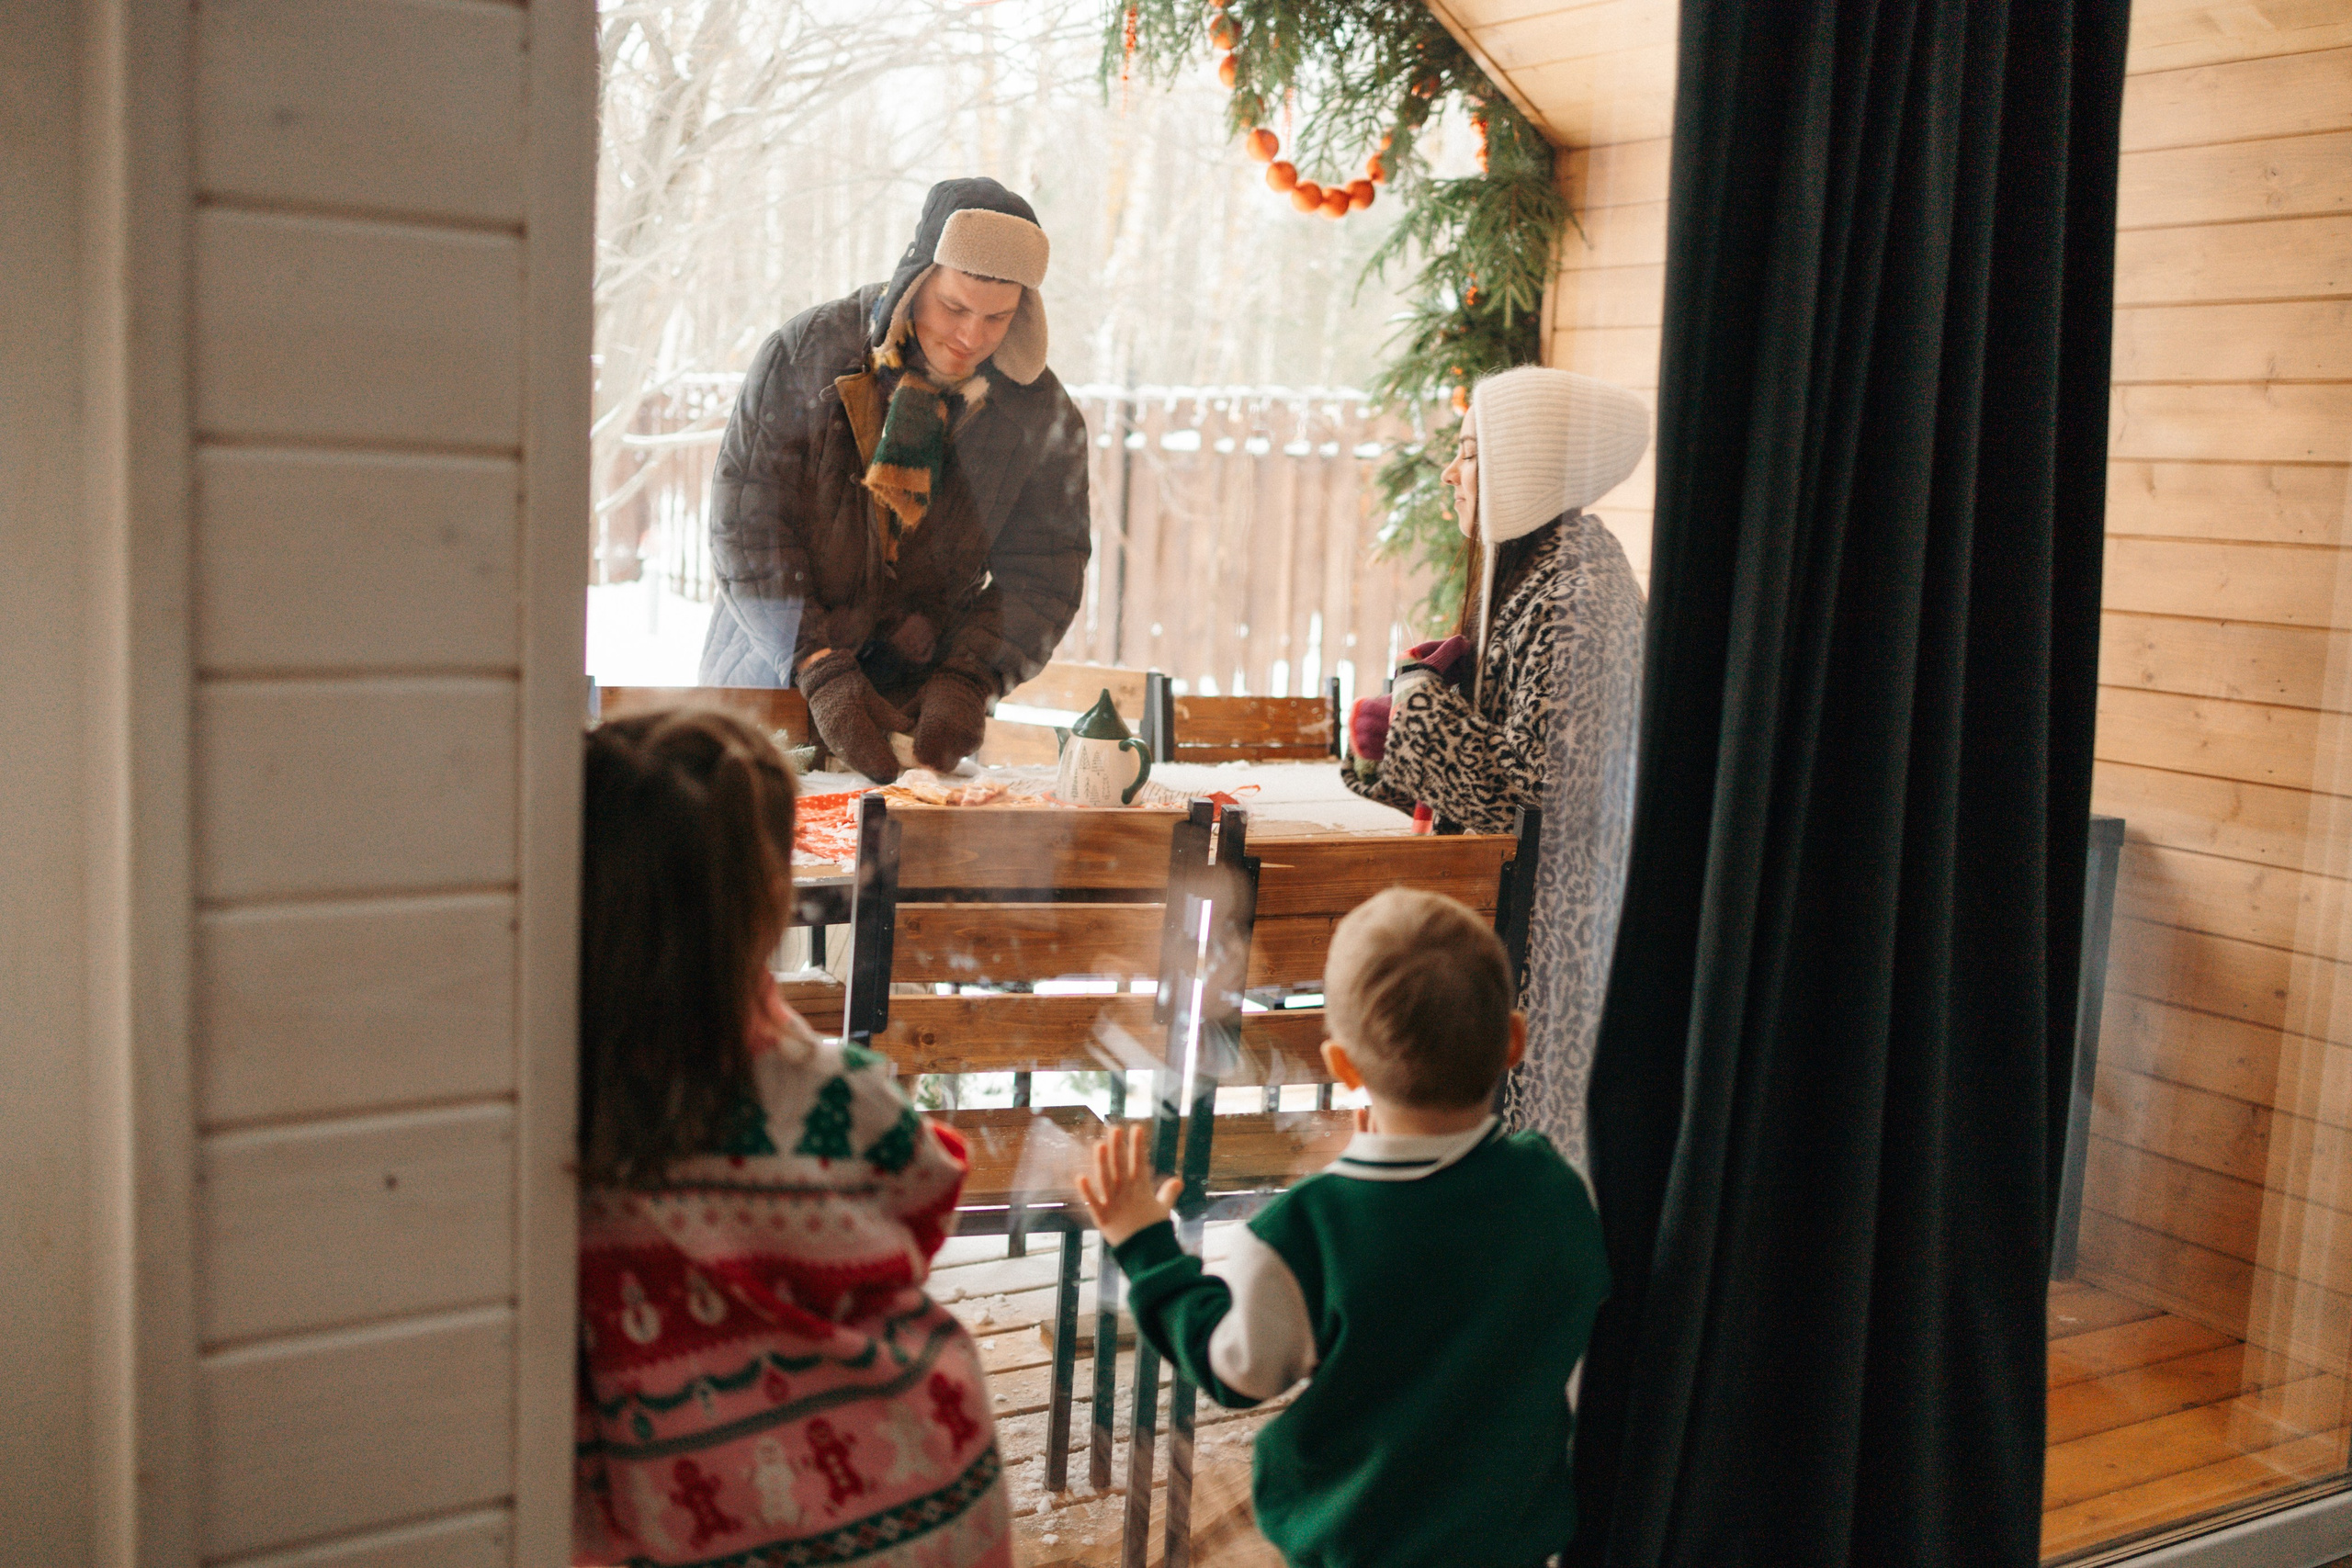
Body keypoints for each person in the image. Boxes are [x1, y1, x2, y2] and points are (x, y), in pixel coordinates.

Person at [572, 707, 1012, 1568]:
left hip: (680, 1501)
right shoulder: (829, 1089)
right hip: (920, 1489)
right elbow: (927, 1189)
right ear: (770, 900)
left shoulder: (568, 1108)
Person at [1078, 888, 1611, 1568]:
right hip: (1510, 1545)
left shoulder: (1304, 1232)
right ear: (1513, 1039)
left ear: (1343, 1066)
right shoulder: (1553, 1189)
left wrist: (1145, 1243)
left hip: (1362, 1548)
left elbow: (1236, 1369)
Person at [1344, 366, 1649, 1168]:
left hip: (1554, 949)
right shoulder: (1540, 573)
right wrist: (1404, 730)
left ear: (1527, 466)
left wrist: (1415, 707)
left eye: (1471, 453)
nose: (1451, 471)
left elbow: (1534, 791)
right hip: (1521, 923)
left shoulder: (1576, 592)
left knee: (1525, 1155)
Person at [699, 176, 1091, 783]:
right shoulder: (805, 356)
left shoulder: (1038, 414)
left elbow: (1045, 573)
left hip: (919, 713)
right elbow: (747, 529)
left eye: (997, 317)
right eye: (955, 307)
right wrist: (818, 662)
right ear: (916, 280)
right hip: (770, 688)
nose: (971, 336)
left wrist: (969, 676)